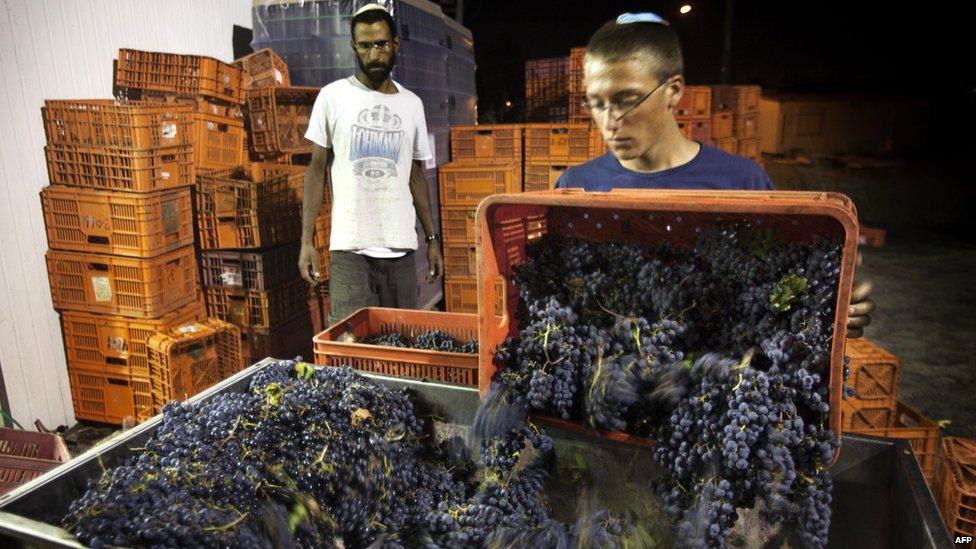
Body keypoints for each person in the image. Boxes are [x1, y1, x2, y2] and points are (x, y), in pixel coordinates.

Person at [557, 12, 873, 336]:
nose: (609, 122)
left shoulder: (743, 182)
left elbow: (775, 293)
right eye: (596, 103)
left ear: (674, 90)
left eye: (627, 101)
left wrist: (829, 307)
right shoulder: (575, 187)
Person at [298, 3, 443, 327]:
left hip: (401, 253)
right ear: (354, 47)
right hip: (350, 253)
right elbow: (316, 171)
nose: (374, 53)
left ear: (395, 44)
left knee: (402, 346)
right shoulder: (332, 97)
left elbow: (415, 175)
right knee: (351, 349)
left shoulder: (411, 105)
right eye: (364, 46)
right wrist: (307, 241)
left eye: (380, 44)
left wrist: (433, 240)